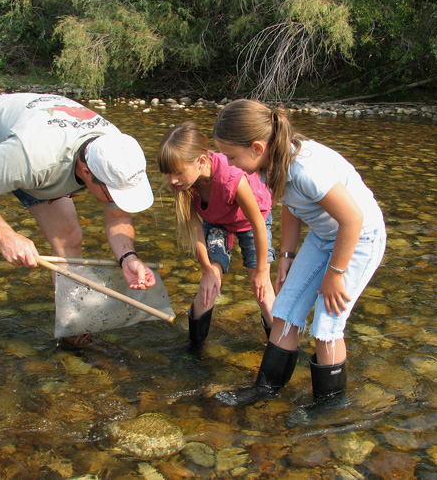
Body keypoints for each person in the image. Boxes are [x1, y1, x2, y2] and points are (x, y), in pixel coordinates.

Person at [0, 93, 156, 349]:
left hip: (34, 149)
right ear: (87, 173)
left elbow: (118, 214)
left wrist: (128, 257)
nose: (118, 201)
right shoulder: (33, 159)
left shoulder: (116, 153)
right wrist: (7, 236)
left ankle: (73, 335)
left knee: (70, 240)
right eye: (114, 194)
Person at [212, 99, 387, 405]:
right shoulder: (270, 163)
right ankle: (264, 391)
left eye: (231, 156)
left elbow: (353, 219)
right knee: (285, 310)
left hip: (359, 239)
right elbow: (290, 205)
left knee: (326, 326)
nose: (229, 164)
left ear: (256, 148)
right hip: (324, 236)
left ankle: (329, 404)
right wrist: (287, 257)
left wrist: (335, 275)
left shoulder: (305, 168)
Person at [157, 122, 275, 347]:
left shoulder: (232, 178)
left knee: (260, 287)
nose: (172, 180)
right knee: (209, 284)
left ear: (201, 162)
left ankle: (281, 347)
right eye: (168, 173)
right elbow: (195, 229)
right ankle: (194, 349)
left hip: (251, 220)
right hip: (218, 219)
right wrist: (207, 269)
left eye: (177, 172)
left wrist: (260, 271)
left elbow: (258, 225)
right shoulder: (183, 183)